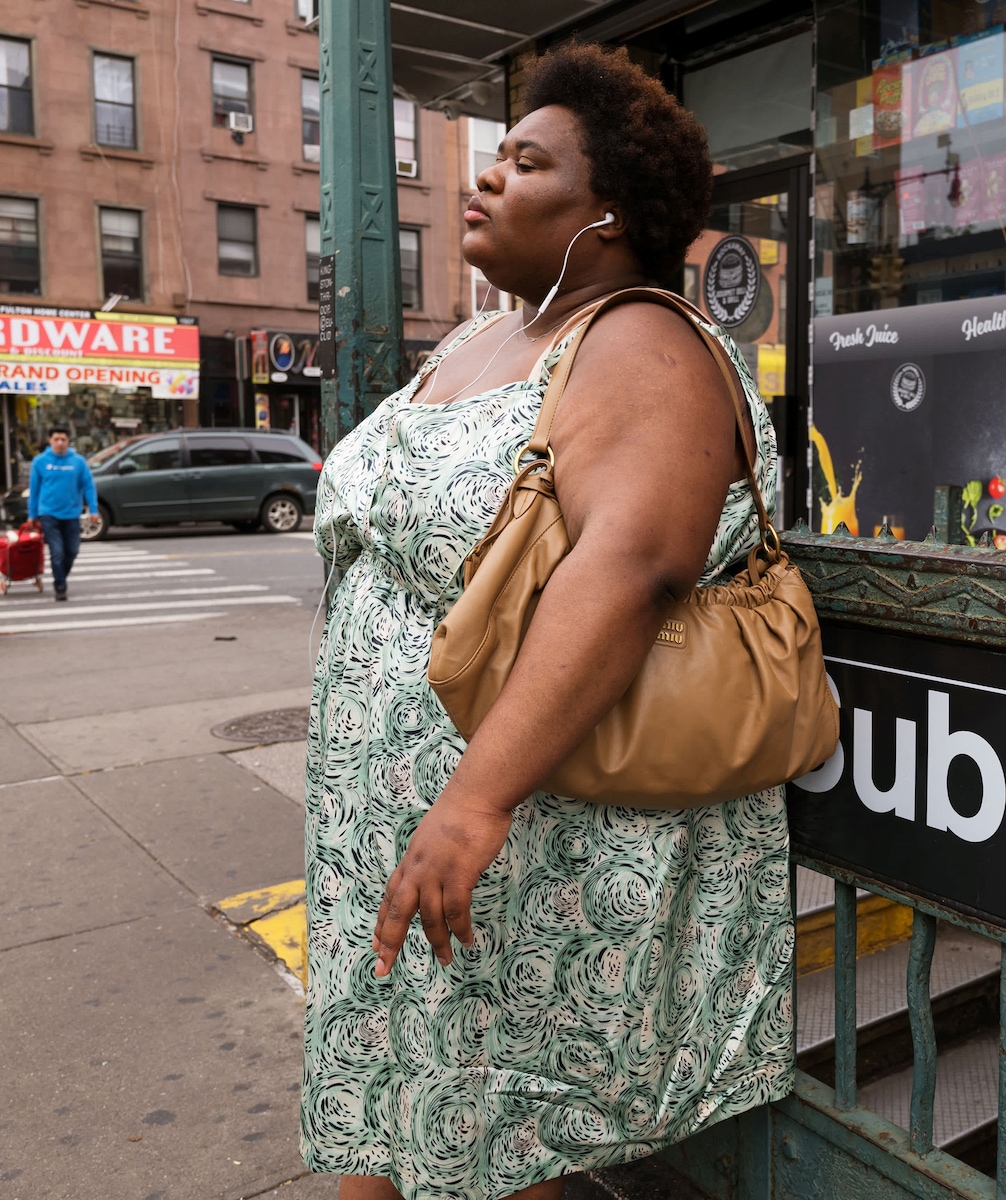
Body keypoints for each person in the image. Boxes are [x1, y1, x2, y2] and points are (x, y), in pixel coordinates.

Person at [301, 45, 791, 1200]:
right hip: (391, 816)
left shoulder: (643, 341)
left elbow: (628, 567)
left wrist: (475, 799)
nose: (484, 179)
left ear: (608, 211)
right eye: (494, 156)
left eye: (526, 162)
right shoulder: (479, 339)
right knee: (395, 1098)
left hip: (522, 816)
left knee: (500, 1126)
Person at [28, 426, 97, 601]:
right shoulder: (40, 461)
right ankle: (60, 586)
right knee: (57, 552)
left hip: (72, 513)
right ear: (50, 441)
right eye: (56, 439)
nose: (60, 442)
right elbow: (34, 490)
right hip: (48, 513)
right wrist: (32, 514)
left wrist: (93, 510)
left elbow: (88, 486)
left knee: (72, 551)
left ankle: (61, 576)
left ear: (68, 441)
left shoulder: (78, 462)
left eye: (63, 439)